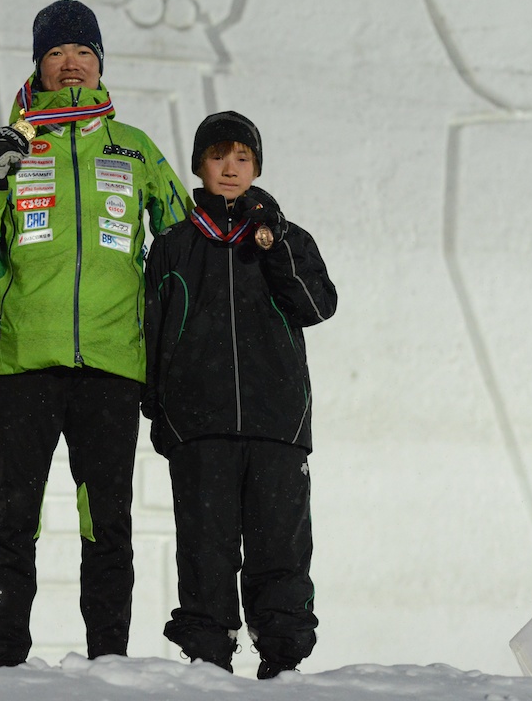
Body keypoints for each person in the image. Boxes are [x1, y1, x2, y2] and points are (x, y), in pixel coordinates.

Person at [0, 0, 192, 669]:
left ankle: (109, 661)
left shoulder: (134, 147)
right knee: (12, 521)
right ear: (38, 63)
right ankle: (3, 663)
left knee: (107, 523)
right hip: (24, 364)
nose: (71, 65)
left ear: (99, 64)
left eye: (83, 53)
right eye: (57, 53)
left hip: (113, 366)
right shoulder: (8, 145)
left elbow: (180, 246)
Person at [142, 111, 337, 679]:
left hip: (277, 421)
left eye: (242, 158)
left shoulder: (287, 236)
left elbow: (317, 304)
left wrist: (273, 244)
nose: (230, 169)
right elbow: (152, 330)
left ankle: (283, 657)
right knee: (206, 545)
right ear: (199, 165)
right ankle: (207, 657)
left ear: (256, 167)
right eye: (218, 157)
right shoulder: (175, 245)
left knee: (280, 546)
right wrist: (159, 408)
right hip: (199, 425)